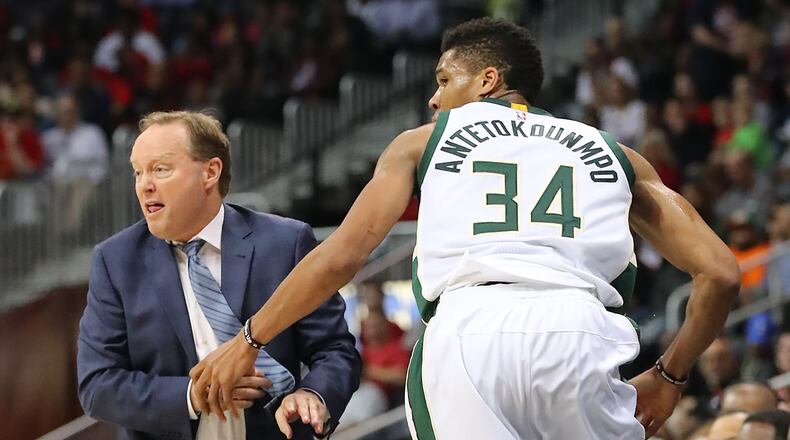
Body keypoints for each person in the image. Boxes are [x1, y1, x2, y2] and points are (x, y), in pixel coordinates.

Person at [190, 18, 740, 439]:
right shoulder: (615, 152)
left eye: (444, 79)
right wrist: (669, 377)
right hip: (581, 332)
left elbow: (343, 255)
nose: (433, 97)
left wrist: (250, 338)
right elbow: (719, 274)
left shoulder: (423, 140)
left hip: (470, 330)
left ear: (487, 80)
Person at [77, 111, 360, 440]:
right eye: (138, 172)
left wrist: (314, 394)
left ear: (210, 172)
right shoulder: (115, 261)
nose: (144, 185)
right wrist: (193, 395)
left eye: (160, 169)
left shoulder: (285, 243)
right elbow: (96, 385)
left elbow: (335, 350)